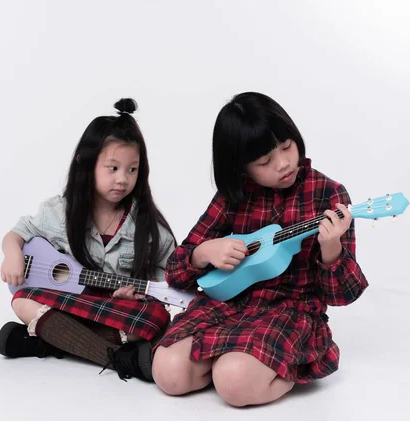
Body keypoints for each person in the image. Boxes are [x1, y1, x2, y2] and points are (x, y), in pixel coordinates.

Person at [152, 92, 369, 405]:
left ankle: (277, 366)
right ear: (240, 167)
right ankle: (234, 358)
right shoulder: (233, 197)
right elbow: (175, 271)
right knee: (169, 373)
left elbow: (343, 295)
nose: (283, 164)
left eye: (286, 147)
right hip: (226, 305)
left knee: (234, 384)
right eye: (265, 161)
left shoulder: (328, 194)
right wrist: (204, 253)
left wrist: (331, 247)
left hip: (288, 311)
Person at [0, 98, 176, 382]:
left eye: (132, 169)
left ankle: (48, 339)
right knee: (22, 300)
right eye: (113, 168)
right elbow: (17, 233)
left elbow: (165, 285)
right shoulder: (59, 212)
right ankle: (119, 359)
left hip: (114, 311)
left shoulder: (151, 230)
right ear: (86, 162)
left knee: (156, 320)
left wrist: (136, 295)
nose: (123, 179)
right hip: (67, 305)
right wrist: (12, 254)